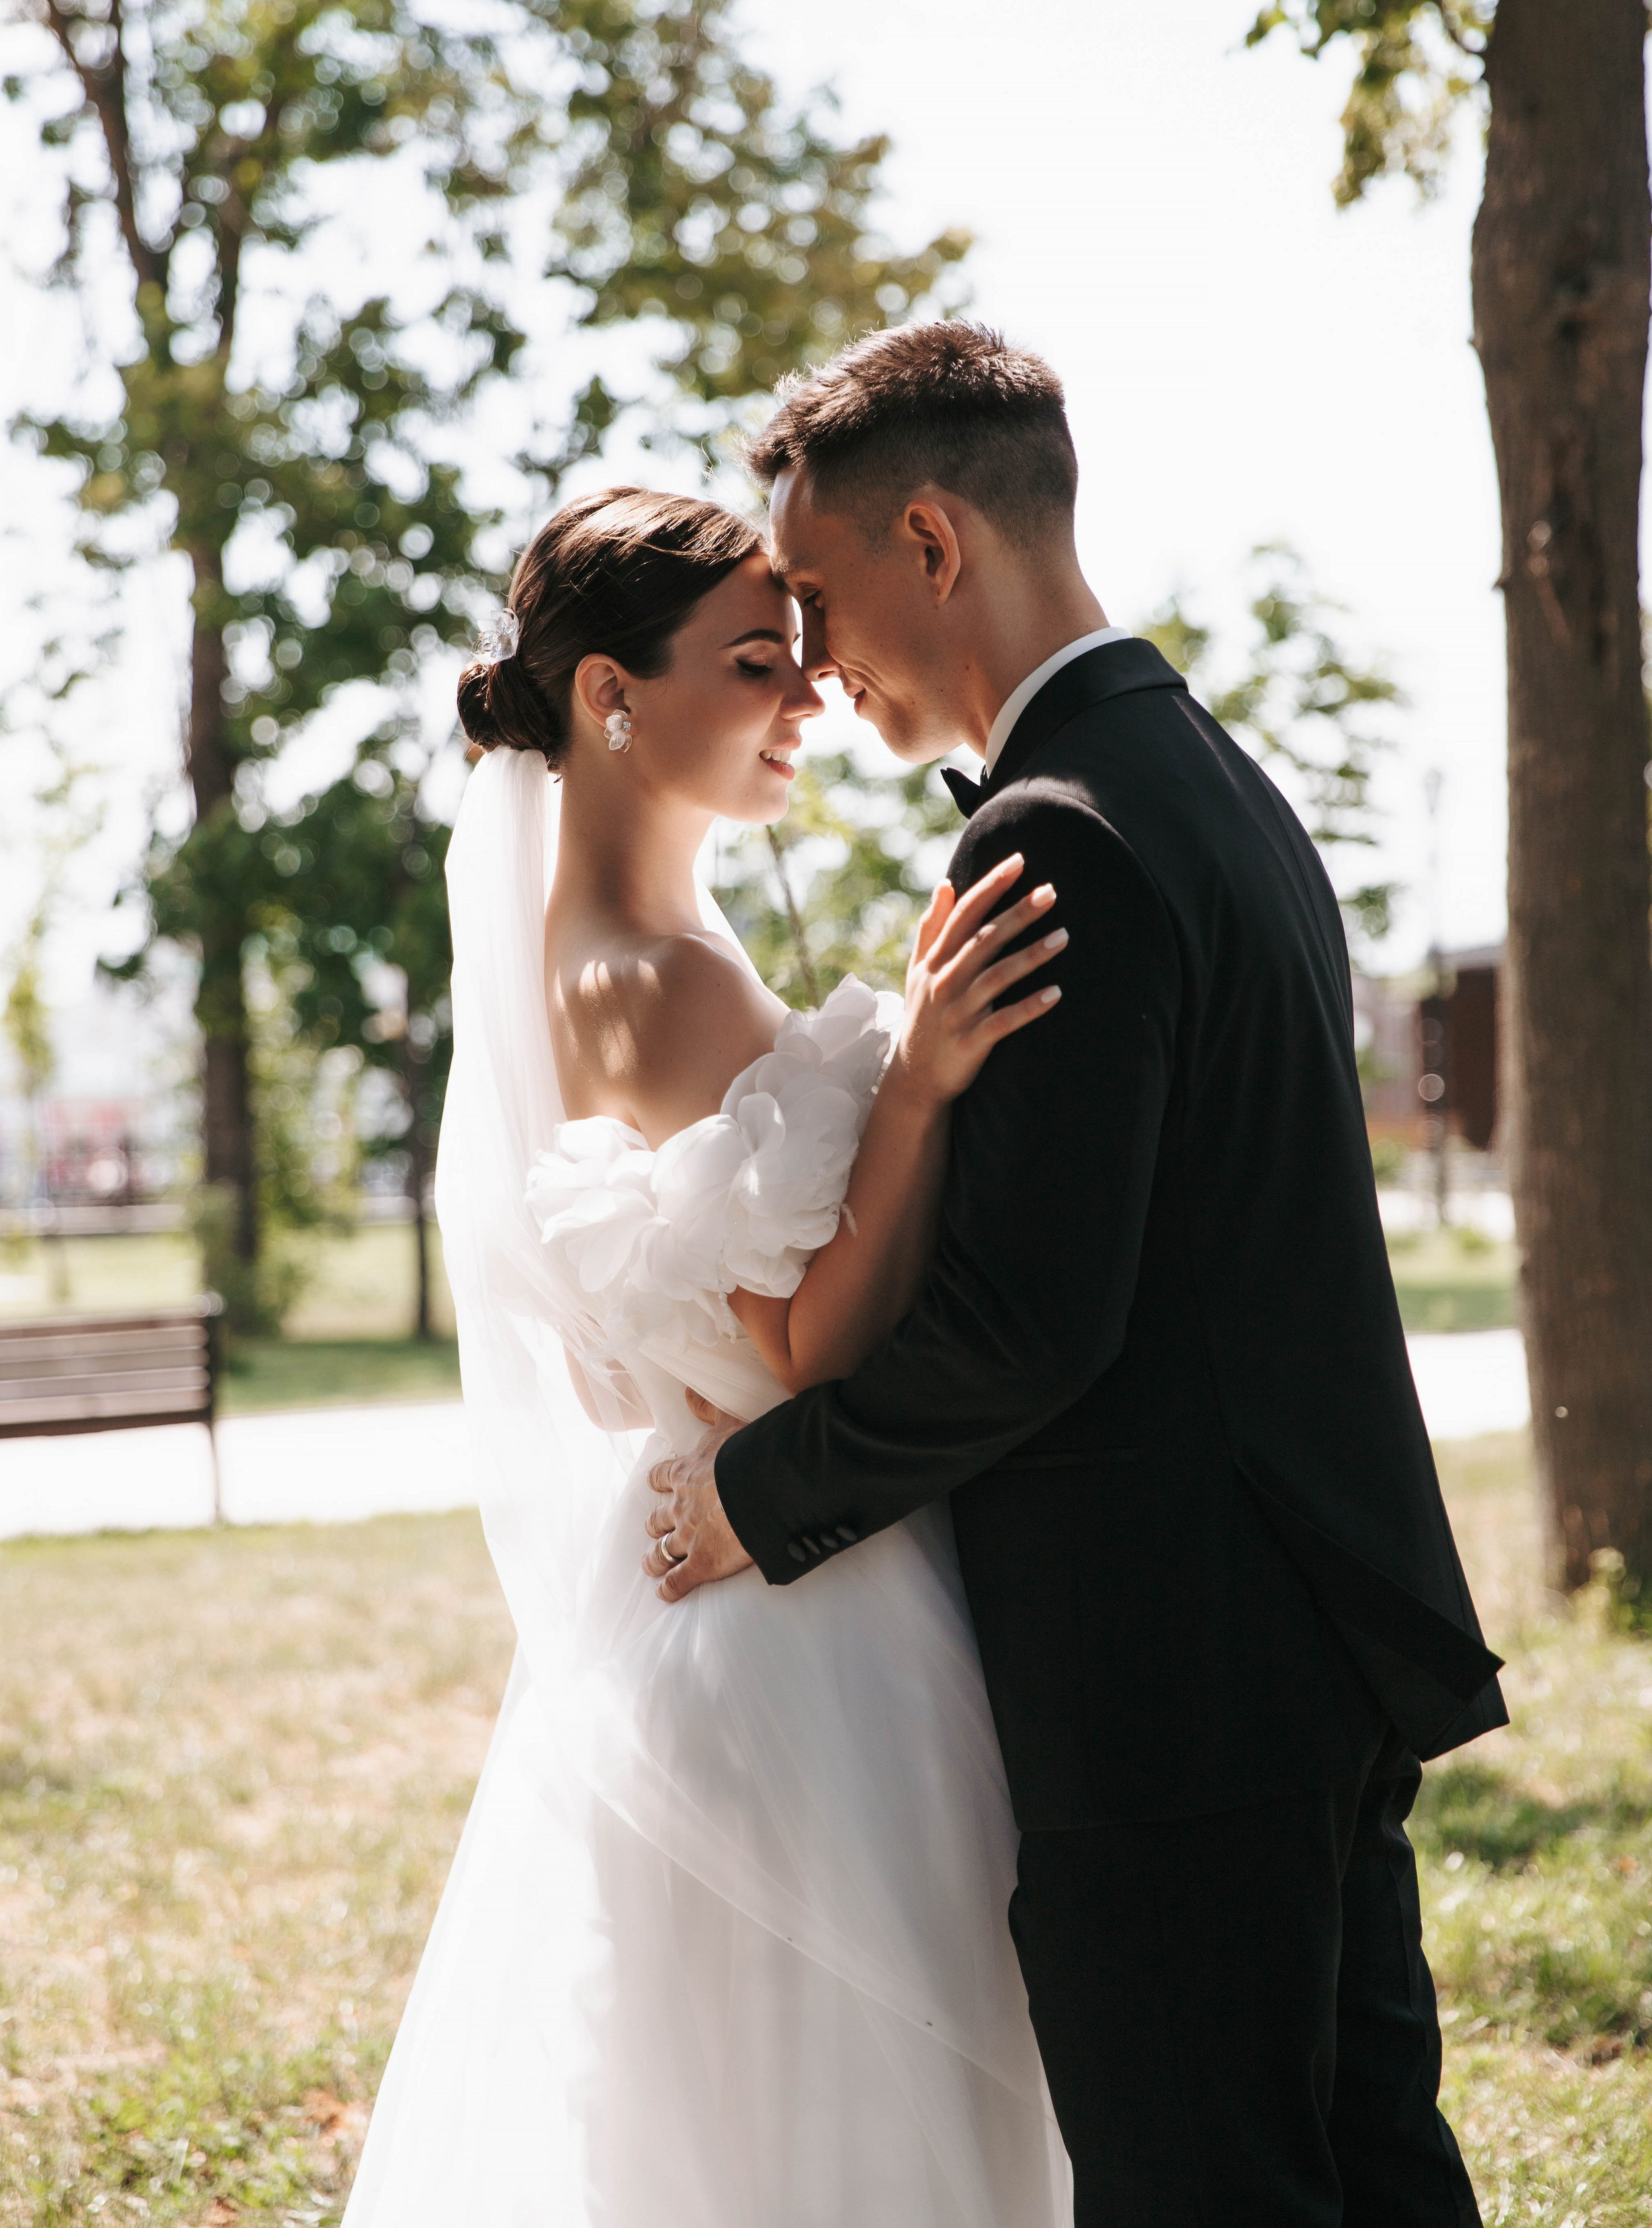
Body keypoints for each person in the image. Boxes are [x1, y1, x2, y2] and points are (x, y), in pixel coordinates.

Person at [648, 320, 1507, 2227]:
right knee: (1365, 2164)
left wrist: (758, 1494)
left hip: (1173, 1677)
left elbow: (1034, 1322)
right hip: (1301, 1636)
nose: (808, 656)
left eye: (815, 590)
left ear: (934, 546)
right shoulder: (1207, 777)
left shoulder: (1063, 836)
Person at [341, 485, 1074, 2227]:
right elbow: (810, 1351)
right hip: (808, 1639)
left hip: (726, 1613)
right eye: (760, 663)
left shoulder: (606, 955)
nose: (809, 698)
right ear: (610, 693)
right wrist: (918, 1087)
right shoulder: (658, 979)